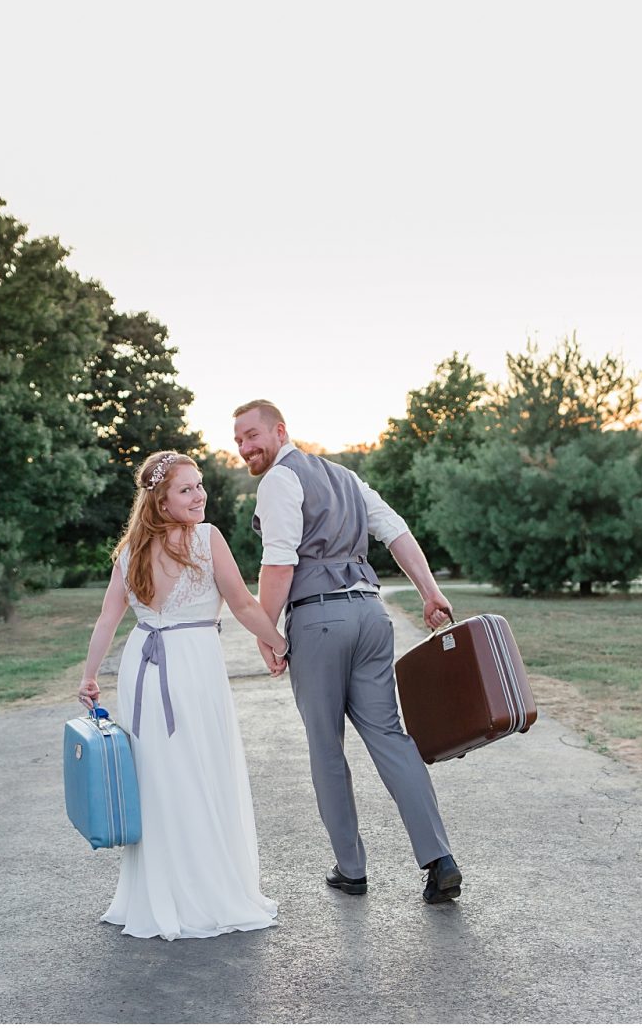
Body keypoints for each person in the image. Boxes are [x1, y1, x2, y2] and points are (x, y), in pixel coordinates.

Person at [232, 399, 463, 904]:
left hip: (319, 621)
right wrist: (429, 591)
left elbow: (278, 563)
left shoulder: (277, 481)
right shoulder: (347, 477)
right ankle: (439, 859)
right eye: (239, 442)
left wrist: (266, 633)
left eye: (252, 435)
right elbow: (395, 530)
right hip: (370, 614)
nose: (246, 448)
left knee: (325, 745)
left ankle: (352, 869)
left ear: (280, 431)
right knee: (391, 737)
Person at [77, 450, 288, 940]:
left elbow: (110, 620)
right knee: (190, 771)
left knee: (163, 774)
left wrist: (90, 674)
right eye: (186, 489)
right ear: (162, 501)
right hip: (187, 666)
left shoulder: (129, 550)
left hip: (145, 667)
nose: (199, 495)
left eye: (199, 486)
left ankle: (164, 892)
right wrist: (279, 643)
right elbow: (241, 603)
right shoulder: (206, 539)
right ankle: (207, 892)